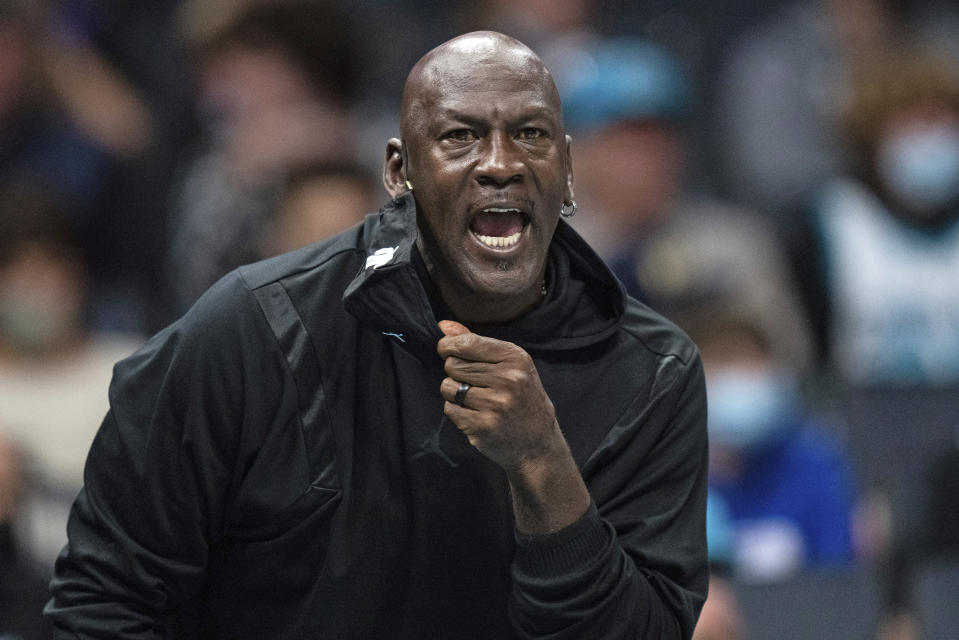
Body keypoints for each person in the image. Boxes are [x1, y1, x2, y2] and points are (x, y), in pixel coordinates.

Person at [46, 31, 708, 639]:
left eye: (530, 135)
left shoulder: (651, 373)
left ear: (564, 170)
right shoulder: (251, 331)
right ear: (398, 171)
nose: (500, 164)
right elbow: (106, 602)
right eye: (459, 137)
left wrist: (542, 465)